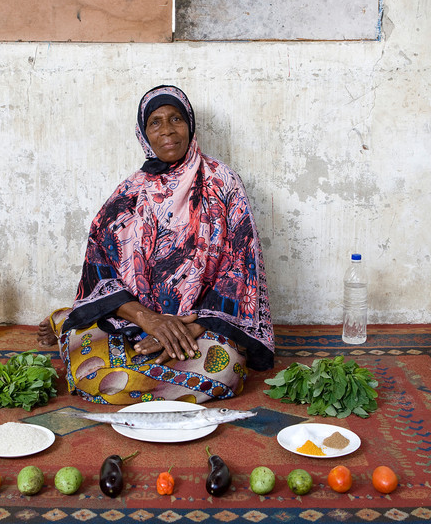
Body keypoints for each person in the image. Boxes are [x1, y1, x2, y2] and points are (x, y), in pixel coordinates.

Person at [38, 85, 274, 404]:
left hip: (203, 324)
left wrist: (191, 327)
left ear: (189, 125)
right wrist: (151, 320)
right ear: (143, 132)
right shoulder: (130, 193)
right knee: (91, 375)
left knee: (224, 373)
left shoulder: (223, 183)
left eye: (176, 119)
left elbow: (242, 270)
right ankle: (67, 320)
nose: (167, 130)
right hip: (133, 321)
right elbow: (100, 272)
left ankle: (72, 325)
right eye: (156, 122)